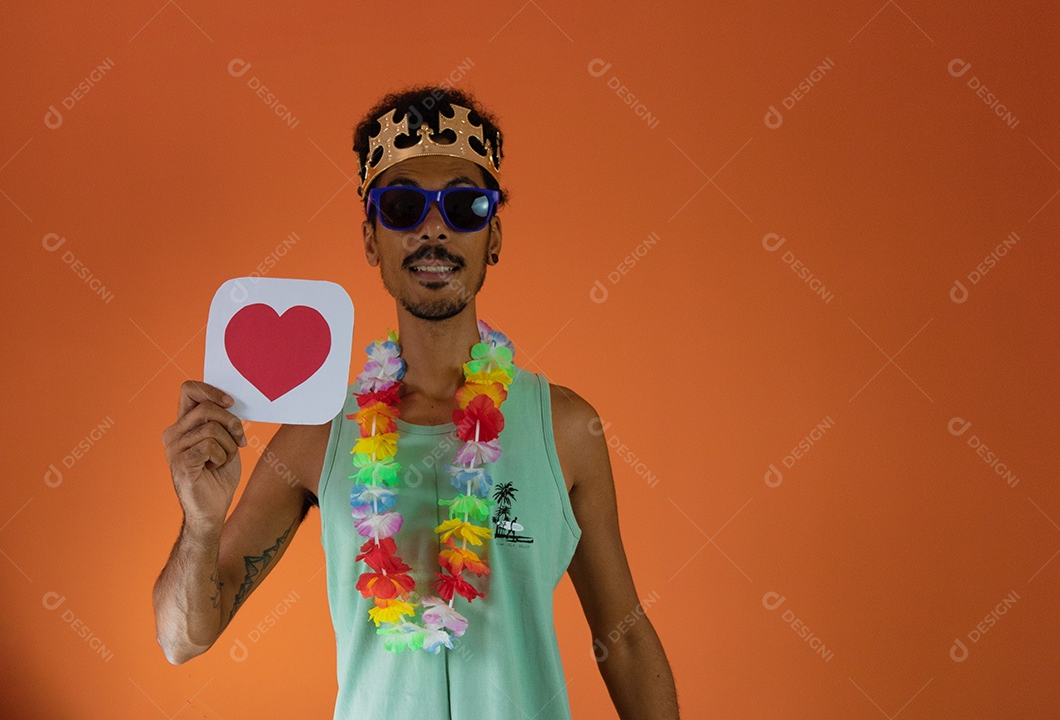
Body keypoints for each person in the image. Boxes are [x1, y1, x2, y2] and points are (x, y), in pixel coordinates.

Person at [153, 85, 680, 719]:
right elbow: (182, 640)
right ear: (373, 240)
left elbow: (622, 641)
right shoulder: (319, 435)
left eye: (464, 205)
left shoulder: (565, 428)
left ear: (494, 237)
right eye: (403, 206)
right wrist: (201, 525)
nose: (434, 227)